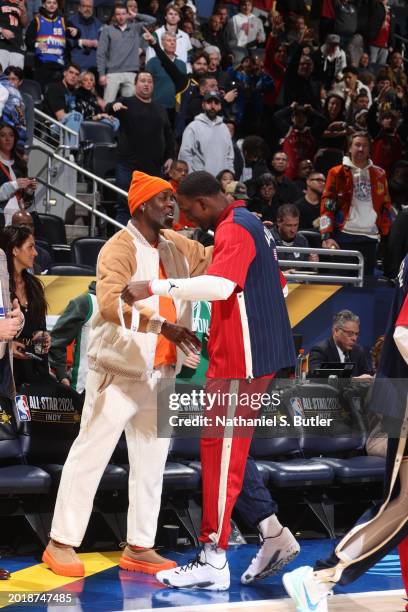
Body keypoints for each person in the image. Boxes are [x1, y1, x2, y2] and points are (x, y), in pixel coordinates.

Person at [121, 170, 297, 590]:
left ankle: (214, 557)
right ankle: (271, 534)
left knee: (221, 457)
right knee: (222, 453)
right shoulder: (252, 223)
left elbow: (219, 287)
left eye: (186, 208)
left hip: (243, 360)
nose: (185, 216)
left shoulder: (235, 227)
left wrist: (152, 286)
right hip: (249, 356)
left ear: (200, 203)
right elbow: (279, 287)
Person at [42, 170, 212, 578]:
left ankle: (140, 545)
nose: (171, 206)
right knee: (91, 455)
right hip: (117, 372)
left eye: (173, 200)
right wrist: (162, 327)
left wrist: (246, 228)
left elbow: (214, 256)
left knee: (152, 464)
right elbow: (108, 305)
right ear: (140, 205)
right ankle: (60, 542)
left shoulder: (176, 245)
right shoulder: (118, 247)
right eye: (163, 200)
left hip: (161, 371)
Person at [283, 253, 408, 611]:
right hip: (401, 397)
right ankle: (321, 575)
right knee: (402, 501)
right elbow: (403, 333)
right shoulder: (323, 351)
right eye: (348, 333)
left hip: (393, 393)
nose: (354, 338)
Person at [105, 71, 175, 225]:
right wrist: (113, 105)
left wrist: (170, 156)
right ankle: (122, 243)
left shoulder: (160, 109)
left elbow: (168, 134)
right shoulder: (126, 102)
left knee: (154, 208)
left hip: (154, 168)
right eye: (143, 81)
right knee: (126, 206)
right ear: (136, 84)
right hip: (128, 166)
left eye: (149, 81)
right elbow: (109, 108)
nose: (146, 84)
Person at [319, 131, 392, 276]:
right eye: (357, 145)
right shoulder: (337, 172)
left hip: (370, 238)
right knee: (341, 288)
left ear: (369, 149)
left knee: (366, 288)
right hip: (344, 236)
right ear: (349, 148)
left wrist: (385, 233)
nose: (361, 149)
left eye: (364, 145)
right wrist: (326, 235)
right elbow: (327, 204)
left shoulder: (380, 174)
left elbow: (386, 205)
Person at [0, 225, 50, 386]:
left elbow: (41, 327)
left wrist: (45, 337)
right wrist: (8, 347)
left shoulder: (35, 286)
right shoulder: (0, 286)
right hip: (6, 371)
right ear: (14, 250)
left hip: (34, 370)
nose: (35, 253)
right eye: (30, 247)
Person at [96, 2, 156, 103]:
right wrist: (101, 74)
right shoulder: (107, 30)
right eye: (118, 14)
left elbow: (152, 20)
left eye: (123, 14)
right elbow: (101, 52)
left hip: (131, 73)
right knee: (108, 106)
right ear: (114, 16)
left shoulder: (135, 28)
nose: (121, 17)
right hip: (112, 73)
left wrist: (136, 15)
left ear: (127, 15)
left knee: (129, 108)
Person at [48, 280, 97, 391]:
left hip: (121, 391)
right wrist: (61, 375)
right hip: (84, 389)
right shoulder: (86, 302)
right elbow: (56, 341)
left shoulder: (128, 306)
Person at [25, 0, 80, 90]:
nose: (52, 5)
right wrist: (37, 44)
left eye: (54, 3)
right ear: (44, 4)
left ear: (57, 5)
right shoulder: (37, 21)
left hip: (60, 65)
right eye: (49, 2)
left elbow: (76, 33)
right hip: (42, 64)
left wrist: (76, 32)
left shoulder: (63, 20)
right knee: (43, 93)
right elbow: (28, 40)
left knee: (58, 93)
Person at [179, 91, 234, 176]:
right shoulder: (193, 127)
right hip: (200, 182)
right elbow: (185, 155)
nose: (212, 106)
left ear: (219, 106)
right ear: (203, 105)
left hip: (221, 183)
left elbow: (229, 156)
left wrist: (230, 175)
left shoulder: (224, 129)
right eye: (209, 102)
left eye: (216, 103)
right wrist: (191, 178)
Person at [308, 309, 372, 376]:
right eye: (350, 333)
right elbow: (317, 376)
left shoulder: (358, 351)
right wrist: (353, 381)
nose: (354, 338)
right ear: (336, 331)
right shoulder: (320, 350)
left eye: (356, 334)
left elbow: (367, 375)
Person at [146, 31, 187, 125]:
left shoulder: (182, 64)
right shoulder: (153, 62)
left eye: (174, 41)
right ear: (162, 43)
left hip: (176, 109)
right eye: (169, 40)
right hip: (157, 107)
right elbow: (147, 85)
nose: (172, 43)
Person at [0, 124, 36, 226]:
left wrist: (30, 190)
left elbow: (26, 202)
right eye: (3, 135)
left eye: (11, 135)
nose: (8, 139)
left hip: (18, 220)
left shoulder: (20, 164)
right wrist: (14, 185)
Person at [42, 63, 82, 147]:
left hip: (71, 125)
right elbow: (60, 116)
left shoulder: (75, 93)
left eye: (76, 74)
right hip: (54, 125)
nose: (73, 76)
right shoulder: (55, 88)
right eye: (71, 72)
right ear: (65, 73)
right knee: (75, 116)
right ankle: (69, 150)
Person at [271, 204, 319, 270]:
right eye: (289, 225)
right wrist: (283, 274)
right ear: (279, 222)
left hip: (298, 280)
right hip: (277, 279)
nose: (293, 230)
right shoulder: (268, 239)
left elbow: (308, 270)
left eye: (295, 225)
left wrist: (313, 264)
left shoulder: (302, 240)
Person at [68, 0, 102, 73]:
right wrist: (81, 42)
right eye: (84, 6)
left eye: (90, 7)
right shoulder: (71, 21)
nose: (87, 9)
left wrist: (98, 43)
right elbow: (66, 42)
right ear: (79, 7)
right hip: (76, 69)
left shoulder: (98, 24)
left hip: (94, 69)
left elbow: (105, 45)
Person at [0, 65, 26, 146]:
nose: (10, 82)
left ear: (20, 81)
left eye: (13, 79)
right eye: (8, 79)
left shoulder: (20, 99)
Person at [0, 0, 28, 71]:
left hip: (17, 44)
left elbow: (24, 24)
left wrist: (24, 13)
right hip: (1, 44)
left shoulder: (22, 2)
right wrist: (1, 30)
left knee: (16, 76)